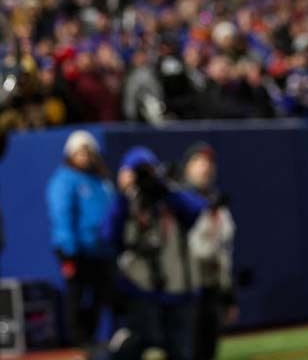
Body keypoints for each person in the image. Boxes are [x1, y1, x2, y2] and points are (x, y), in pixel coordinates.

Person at [105, 146, 207, 360]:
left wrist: (164, 187)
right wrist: (124, 196)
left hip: (177, 288)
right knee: (136, 345)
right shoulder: (126, 203)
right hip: (140, 289)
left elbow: (198, 210)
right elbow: (107, 235)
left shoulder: (169, 198)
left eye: (147, 171)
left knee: (181, 351)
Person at [45, 130, 116, 347]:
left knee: (99, 296)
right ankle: (77, 341)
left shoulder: (100, 180)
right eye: (80, 151)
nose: (85, 156)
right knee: (76, 295)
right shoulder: (64, 179)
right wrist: (68, 247)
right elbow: (62, 213)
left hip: (100, 250)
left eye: (88, 151)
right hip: (76, 249)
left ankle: (91, 338)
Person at [182, 142, 237, 360]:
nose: (204, 167)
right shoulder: (180, 201)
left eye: (208, 162)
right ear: (187, 166)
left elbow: (224, 253)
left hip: (211, 289)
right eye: (198, 161)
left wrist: (229, 296)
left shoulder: (217, 203)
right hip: (187, 290)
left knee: (208, 350)